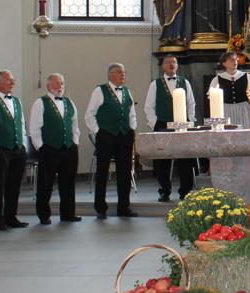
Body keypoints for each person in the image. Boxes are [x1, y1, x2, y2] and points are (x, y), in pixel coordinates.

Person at [85, 63, 138, 218]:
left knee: (125, 172)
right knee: (102, 172)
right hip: (106, 135)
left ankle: (124, 207)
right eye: (119, 72)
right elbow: (89, 114)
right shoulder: (99, 90)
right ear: (110, 75)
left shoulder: (127, 91)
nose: (123, 75)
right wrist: (98, 131)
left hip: (124, 135)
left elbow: (131, 113)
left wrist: (132, 129)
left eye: (124, 72)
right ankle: (101, 208)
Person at [29, 73, 82, 225]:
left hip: (69, 148)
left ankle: (68, 213)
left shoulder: (70, 102)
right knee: (46, 184)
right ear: (48, 86)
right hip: (49, 148)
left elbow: (75, 126)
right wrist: (41, 147)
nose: (60, 87)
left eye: (62, 84)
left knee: (68, 182)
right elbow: (34, 128)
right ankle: (44, 215)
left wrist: (75, 142)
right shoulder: (40, 103)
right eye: (57, 84)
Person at [144, 56, 197, 202]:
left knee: (185, 159)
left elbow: (191, 103)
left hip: (183, 125)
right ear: (162, 66)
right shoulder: (155, 84)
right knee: (163, 161)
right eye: (168, 62)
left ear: (178, 65)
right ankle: (164, 191)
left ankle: (185, 191)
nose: (171, 64)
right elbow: (149, 106)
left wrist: (190, 120)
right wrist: (156, 124)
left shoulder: (185, 82)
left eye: (174, 62)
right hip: (162, 125)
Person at [0, 71, 29, 231]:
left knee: (14, 184)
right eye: (9, 80)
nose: (13, 83)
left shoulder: (16, 101)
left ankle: (11, 216)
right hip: (1, 150)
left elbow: (21, 124)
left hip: (17, 149)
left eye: (13, 80)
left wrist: (23, 145)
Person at [210, 51, 250, 128]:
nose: (235, 62)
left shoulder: (247, 77)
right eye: (232, 60)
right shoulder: (217, 79)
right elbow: (212, 101)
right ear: (224, 63)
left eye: (236, 60)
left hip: (244, 110)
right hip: (226, 111)